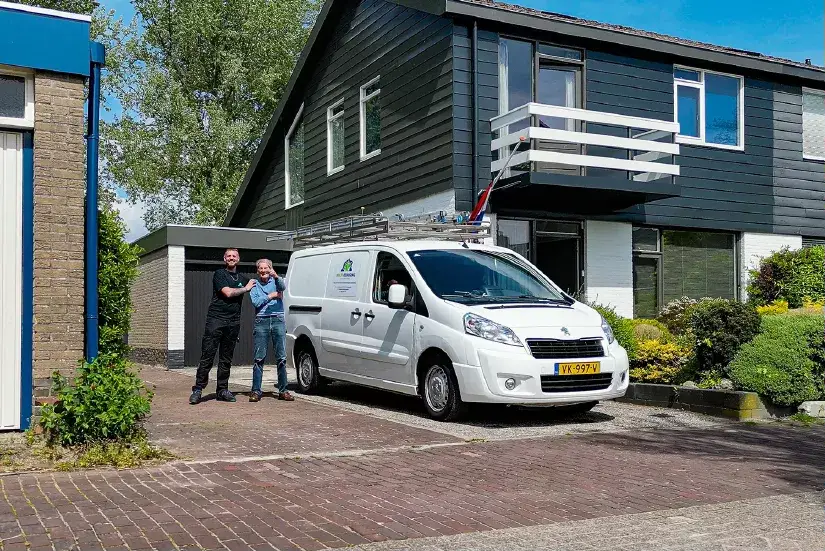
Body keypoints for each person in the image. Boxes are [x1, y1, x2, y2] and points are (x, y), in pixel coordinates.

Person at [189, 248, 255, 405]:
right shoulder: (219, 274)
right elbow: (227, 293)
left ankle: (222, 390)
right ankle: (198, 390)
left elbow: (265, 284)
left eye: (234, 256)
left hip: (233, 323)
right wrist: (245, 288)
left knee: (226, 358)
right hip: (216, 320)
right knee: (207, 356)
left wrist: (271, 275)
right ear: (225, 259)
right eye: (229, 256)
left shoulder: (243, 278)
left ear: (238, 259)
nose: (231, 258)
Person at [248, 259, 293, 402]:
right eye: (260, 268)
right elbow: (256, 302)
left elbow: (282, 287)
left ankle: (283, 391)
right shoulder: (254, 285)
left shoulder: (276, 281)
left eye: (266, 268)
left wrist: (276, 276)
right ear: (257, 271)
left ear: (270, 269)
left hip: (278, 320)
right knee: (259, 358)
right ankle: (256, 391)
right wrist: (271, 296)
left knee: (281, 358)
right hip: (261, 321)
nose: (263, 271)